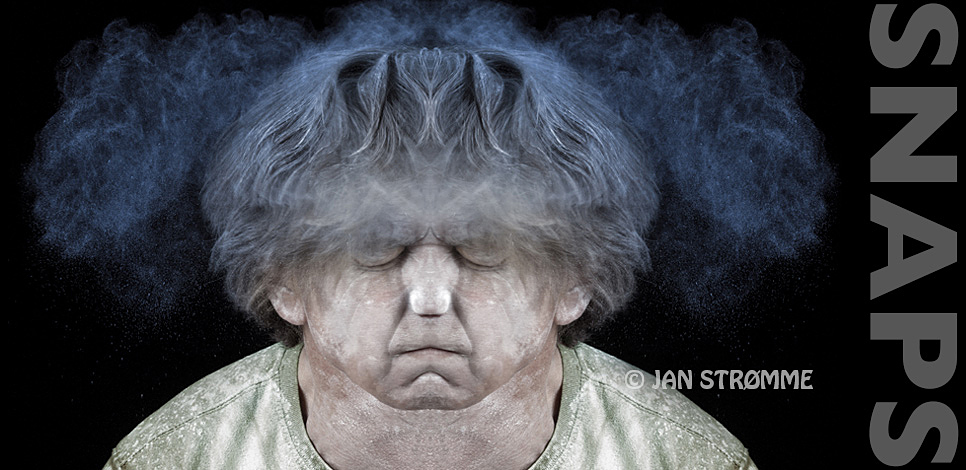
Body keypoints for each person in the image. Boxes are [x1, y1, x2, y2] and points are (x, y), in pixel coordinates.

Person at [103, 45, 757, 469]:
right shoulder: (173, 460)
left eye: (484, 246)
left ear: (575, 279)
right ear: (284, 279)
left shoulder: (688, 461)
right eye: (374, 245)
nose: (430, 297)